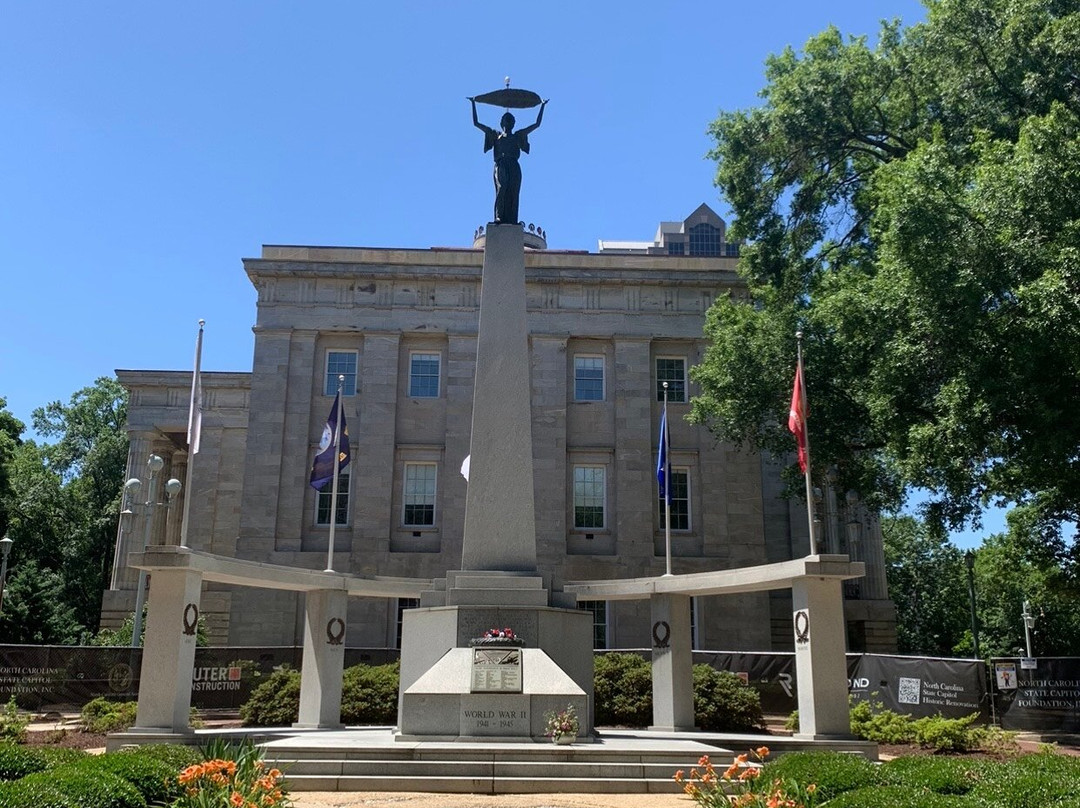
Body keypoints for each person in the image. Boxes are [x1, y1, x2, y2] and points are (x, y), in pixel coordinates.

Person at [470, 98, 547, 224]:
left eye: (511, 121)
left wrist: (542, 106)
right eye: (506, 120)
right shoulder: (495, 135)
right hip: (501, 165)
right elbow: (476, 123)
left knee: (513, 191)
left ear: (513, 124)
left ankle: (512, 219)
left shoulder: (517, 136)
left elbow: (536, 124)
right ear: (502, 123)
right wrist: (473, 104)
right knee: (502, 188)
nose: (508, 123)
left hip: (514, 165)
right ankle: (498, 216)